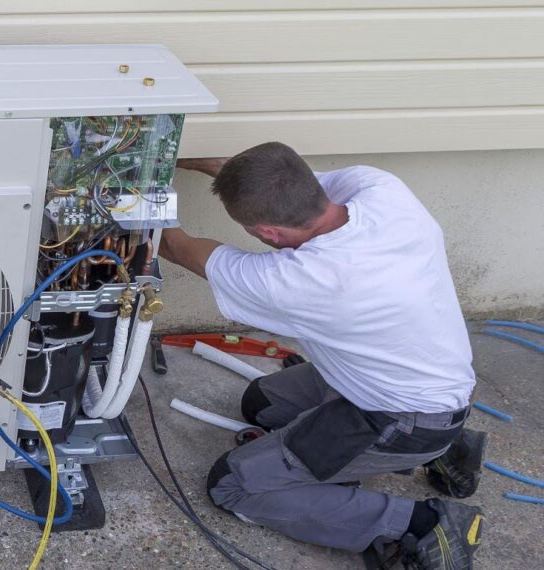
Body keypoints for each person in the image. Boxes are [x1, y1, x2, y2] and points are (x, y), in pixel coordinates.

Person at [159, 142, 486, 569]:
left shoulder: (303, 281)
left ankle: (422, 525)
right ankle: (448, 447)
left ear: (268, 234)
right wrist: (158, 157)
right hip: (414, 379)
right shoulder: (382, 190)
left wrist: (135, 186)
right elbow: (236, 170)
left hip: (399, 417)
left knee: (234, 485)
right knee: (262, 404)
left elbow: (175, 247)